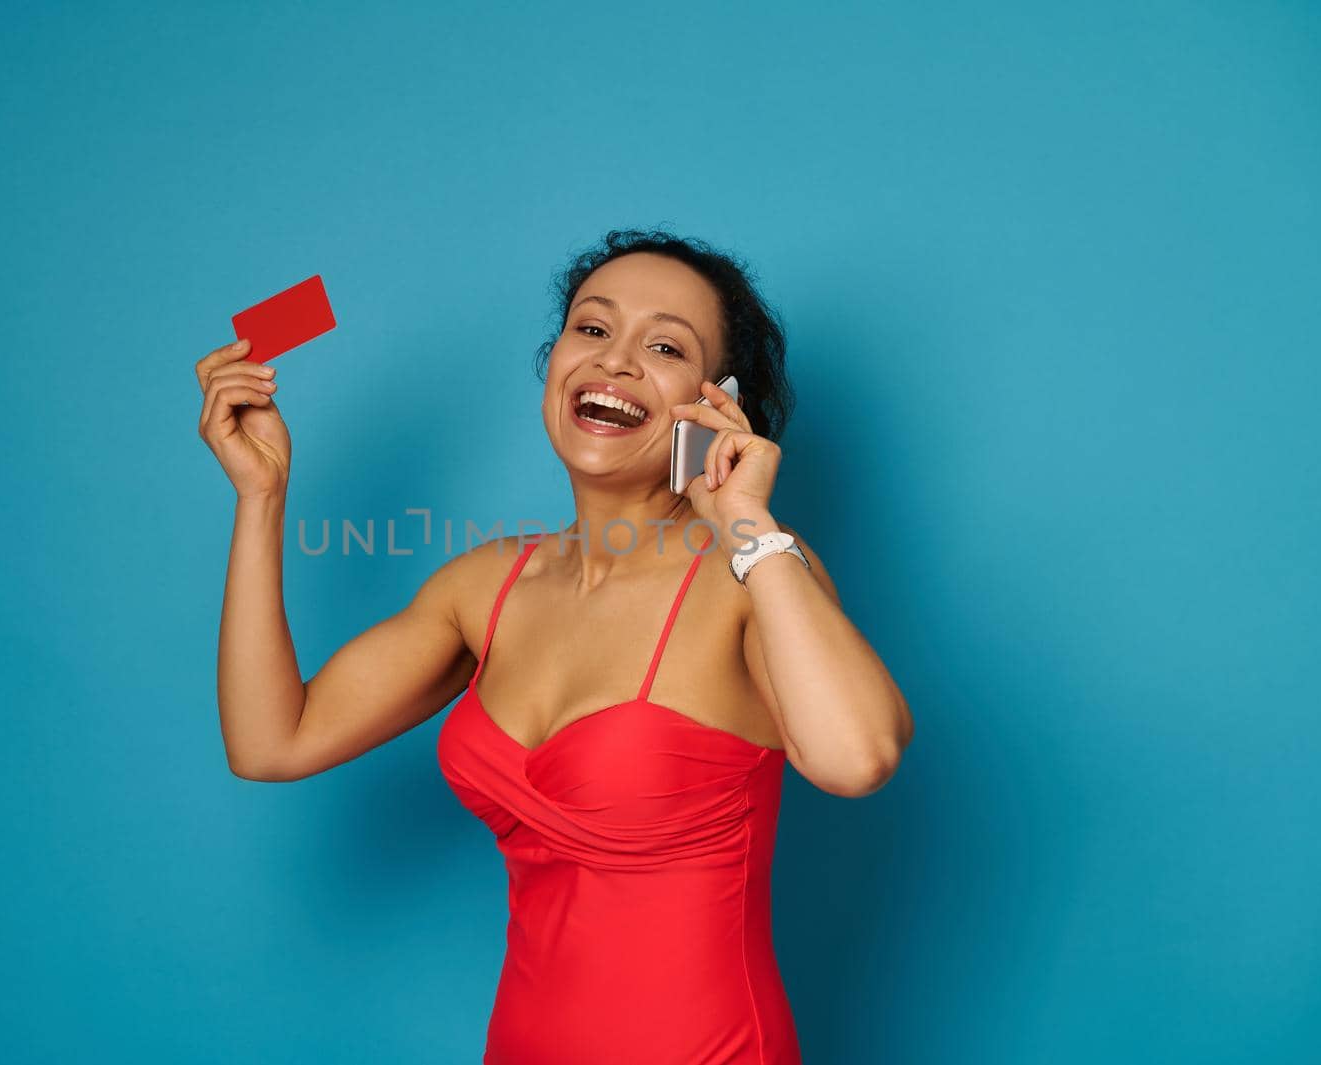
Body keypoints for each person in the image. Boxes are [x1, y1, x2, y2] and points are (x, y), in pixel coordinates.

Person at [195, 228, 914, 1064]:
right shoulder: (485, 587)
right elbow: (269, 739)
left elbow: (857, 757)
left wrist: (748, 522)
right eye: (593, 328)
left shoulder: (751, 577)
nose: (614, 361)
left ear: (715, 404)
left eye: (666, 345)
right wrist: (261, 496)